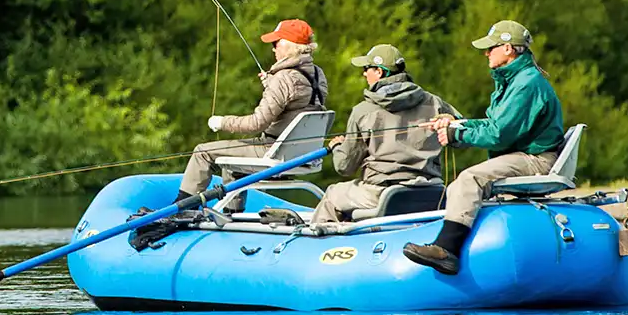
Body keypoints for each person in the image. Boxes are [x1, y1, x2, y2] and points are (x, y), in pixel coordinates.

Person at [403, 20, 565, 275]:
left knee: (470, 178)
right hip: (525, 154)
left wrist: (457, 133)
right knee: (459, 185)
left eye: (491, 48)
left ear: (508, 48)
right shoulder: (515, 80)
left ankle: (446, 251)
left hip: (536, 158)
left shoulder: (526, 84)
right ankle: (449, 241)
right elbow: (494, 124)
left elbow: (499, 135)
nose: (486, 53)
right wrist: (457, 123)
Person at [174, 19, 328, 204]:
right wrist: (271, 84)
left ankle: (182, 208)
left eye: (276, 43)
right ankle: (232, 212)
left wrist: (222, 122)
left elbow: (256, 124)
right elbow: (300, 99)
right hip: (304, 155)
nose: (273, 49)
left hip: (274, 151)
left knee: (202, 152)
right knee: (232, 159)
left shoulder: (283, 79)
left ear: (291, 46)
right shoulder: (318, 74)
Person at [310, 44, 457, 224]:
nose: (364, 73)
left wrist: (337, 147)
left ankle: (323, 240)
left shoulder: (363, 111)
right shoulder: (435, 102)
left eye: (367, 68)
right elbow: (462, 134)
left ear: (379, 72)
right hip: (431, 191)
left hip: (381, 194)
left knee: (333, 194)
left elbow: (345, 167)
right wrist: (450, 120)